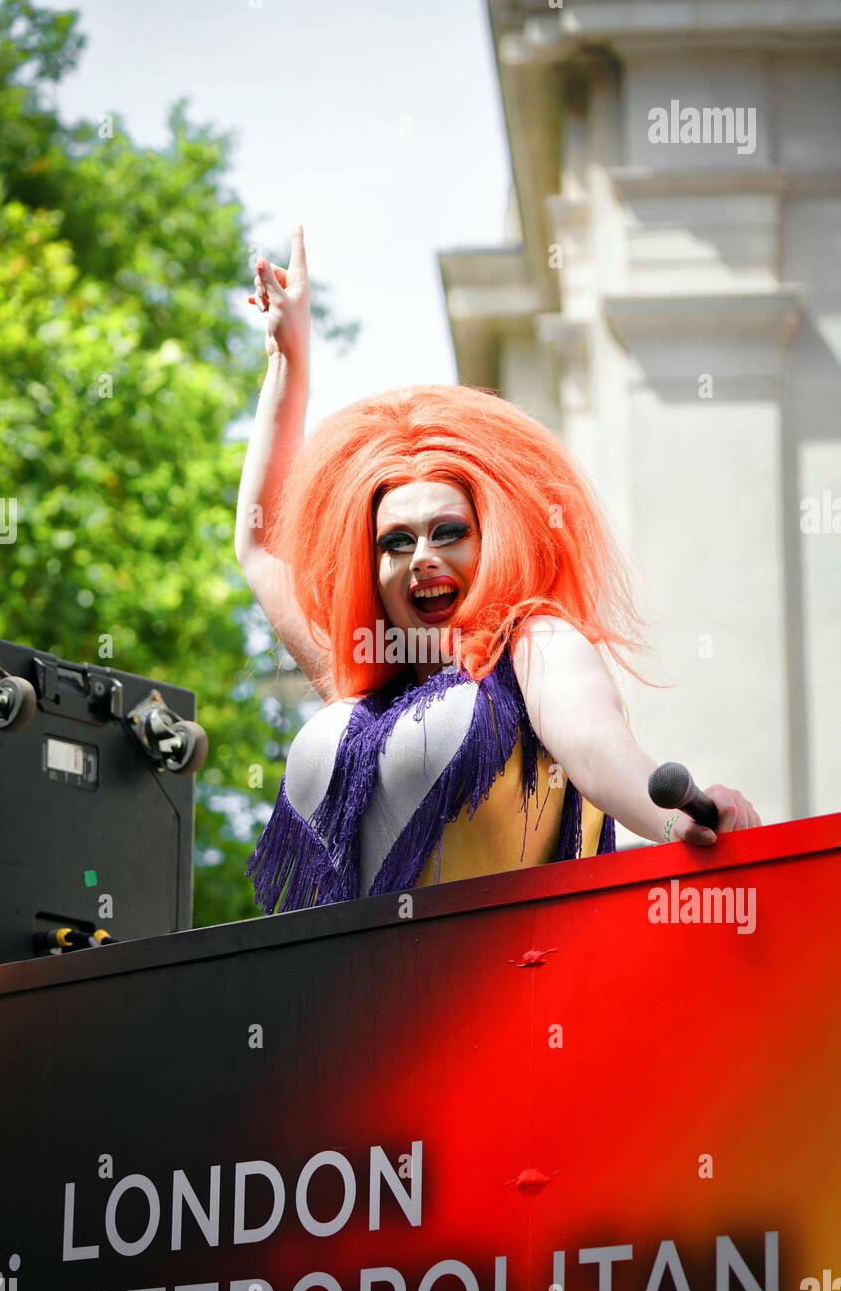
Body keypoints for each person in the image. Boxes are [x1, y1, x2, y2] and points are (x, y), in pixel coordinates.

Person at [235, 227, 762, 914]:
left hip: (509, 995)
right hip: (339, 1004)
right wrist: (287, 359)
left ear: (494, 542)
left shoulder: (535, 645)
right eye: (394, 542)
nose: (420, 556)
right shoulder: (358, 677)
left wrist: (673, 822)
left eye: (446, 532)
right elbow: (263, 547)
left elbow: (599, 749)